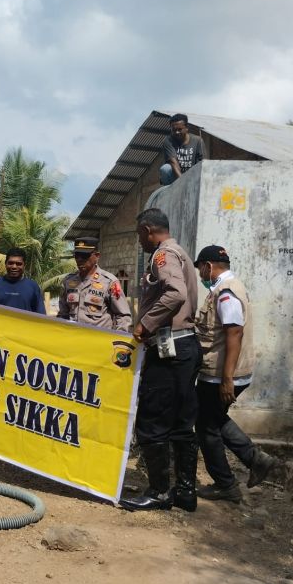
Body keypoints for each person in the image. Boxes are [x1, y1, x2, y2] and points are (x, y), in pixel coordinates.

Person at [119, 208, 201, 513]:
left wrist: (145, 324)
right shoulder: (181, 253)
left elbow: (175, 294)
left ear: (146, 230)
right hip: (186, 346)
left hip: (169, 350)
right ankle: (185, 493)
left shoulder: (162, 256)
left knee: (152, 421)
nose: (140, 242)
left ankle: (158, 492)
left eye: (140, 235)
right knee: (182, 423)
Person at [193, 245, 277, 502]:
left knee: (206, 426)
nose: (200, 276)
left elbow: (234, 333)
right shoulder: (227, 287)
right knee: (214, 418)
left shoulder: (226, 292)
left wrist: (227, 379)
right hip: (223, 372)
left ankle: (226, 484)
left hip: (221, 374)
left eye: (200, 270)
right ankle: (255, 459)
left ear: (208, 266)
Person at [56, 237, 132, 331]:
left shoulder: (109, 282)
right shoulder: (68, 281)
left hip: (99, 341)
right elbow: (63, 314)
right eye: (76, 255)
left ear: (97, 256)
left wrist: (119, 341)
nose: (79, 260)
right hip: (73, 339)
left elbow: (123, 316)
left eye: (84, 256)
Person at [0, 247, 47, 315]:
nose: (14, 267)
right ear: (5, 264)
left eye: (18, 264)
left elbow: (41, 315)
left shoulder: (33, 287)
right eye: (11, 263)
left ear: (24, 265)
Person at [160, 113, 206, 186]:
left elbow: (201, 164)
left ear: (186, 127)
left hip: (192, 177)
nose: (177, 132)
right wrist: (183, 184)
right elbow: (173, 163)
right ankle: (169, 191)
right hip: (175, 177)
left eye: (179, 129)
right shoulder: (168, 141)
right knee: (165, 169)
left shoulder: (197, 141)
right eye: (174, 130)